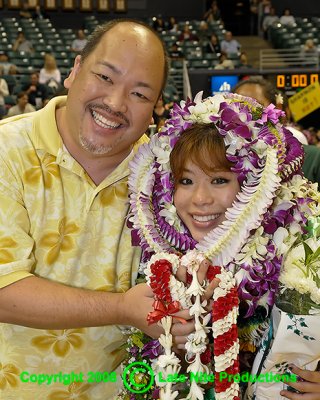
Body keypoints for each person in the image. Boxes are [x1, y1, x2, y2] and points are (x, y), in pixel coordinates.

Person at [0, 19, 195, 399]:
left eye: (140, 94)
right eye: (105, 76)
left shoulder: (169, 174)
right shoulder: (6, 150)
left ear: (156, 107)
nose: (115, 103)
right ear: (74, 71)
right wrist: (123, 308)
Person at [126, 91, 320, 399]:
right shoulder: (159, 256)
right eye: (185, 181)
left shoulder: (302, 250)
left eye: (219, 180)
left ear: (254, 185)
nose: (200, 200)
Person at [233, 77, 320, 186]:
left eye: (255, 105)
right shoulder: (221, 159)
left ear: (276, 111)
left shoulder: (313, 159)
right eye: (239, 106)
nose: (245, 113)